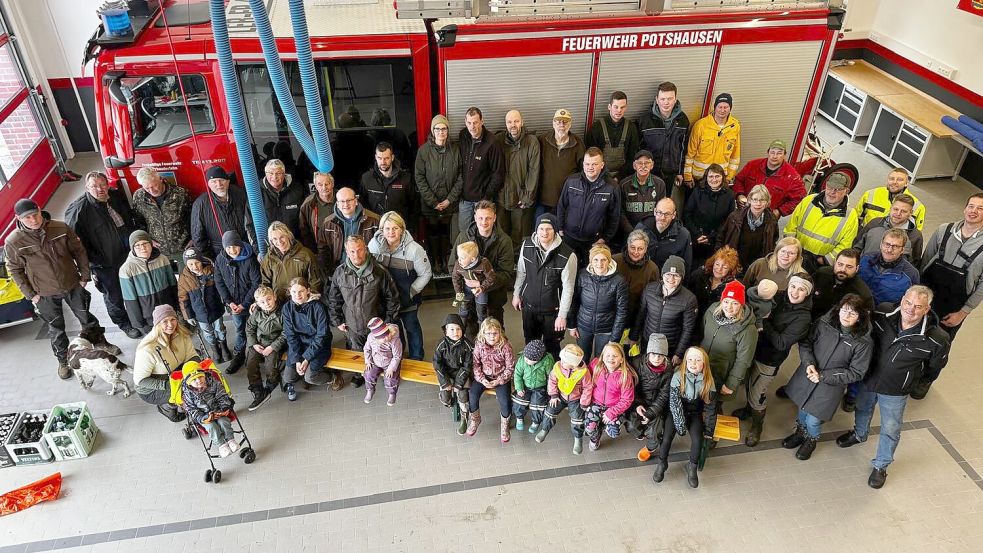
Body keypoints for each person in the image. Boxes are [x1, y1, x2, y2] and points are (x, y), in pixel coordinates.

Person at [836, 286, 950, 488]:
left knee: (890, 428)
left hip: (896, 390)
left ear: (927, 309)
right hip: (869, 379)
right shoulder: (882, 313)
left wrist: (912, 381)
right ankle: (859, 434)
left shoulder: (936, 338)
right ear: (902, 299)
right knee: (862, 408)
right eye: (908, 302)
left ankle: (881, 465)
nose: (910, 309)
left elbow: (934, 368)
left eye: (918, 306)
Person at [5, 199, 120, 378]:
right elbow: (15, 270)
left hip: (72, 285)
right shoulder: (14, 241)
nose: (33, 220)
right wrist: (32, 295)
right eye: (27, 218)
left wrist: (84, 277)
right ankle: (63, 361)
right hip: (44, 294)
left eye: (35, 214)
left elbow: (79, 251)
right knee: (56, 329)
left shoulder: (60, 228)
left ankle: (101, 343)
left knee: (87, 318)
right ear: (18, 218)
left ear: (39, 209)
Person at [783, 293, 872, 461]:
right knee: (802, 409)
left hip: (830, 384)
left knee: (814, 419)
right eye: (844, 310)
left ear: (860, 317)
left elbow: (856, 372)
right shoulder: (824, 323)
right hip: (808, 374)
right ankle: (800, 433)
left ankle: (811, 439)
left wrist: (823, 376)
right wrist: (808, 363)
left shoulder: (863, 343)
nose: (846, 316)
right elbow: (806, 342)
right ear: (838, 310)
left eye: (852, 313)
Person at [732, 273, 813, 447]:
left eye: (801, 289)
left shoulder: (803, 318)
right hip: (753, 349)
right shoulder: (779, 296)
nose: (795, 292)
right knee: (748, 382)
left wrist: (763, 322)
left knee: (758, 394)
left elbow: (781, 343)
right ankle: (748, 409)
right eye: (793, 286)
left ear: (807, 293)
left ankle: (757, 426)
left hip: (769, 360)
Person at [65, 171, 144, 338]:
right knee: (114, 294)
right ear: (87, 188)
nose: (99, 189)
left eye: (102, 185)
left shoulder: (115, 196)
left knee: (134, 286)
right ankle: (124, 323)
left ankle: (138, 316)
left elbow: (128, 216)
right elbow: (73, 242)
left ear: (107, 184)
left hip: (128, 252)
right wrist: (93, 262)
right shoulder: (79, 209)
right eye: (94, 186)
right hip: (104, 262)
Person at [369, 211, 433, 361]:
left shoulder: (415, 249)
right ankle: (399, 355)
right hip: (388, 301)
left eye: (395, 228)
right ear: (381, 229)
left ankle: (417, 356)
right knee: (394, 329)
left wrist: (411, 291)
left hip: (408, 299)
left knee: (412, 328)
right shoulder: (373, 246)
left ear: (402, 229)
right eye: (387, 228)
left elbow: (426, 274)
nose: (391, 232)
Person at [651, 346, 717, 489]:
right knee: (667, 437)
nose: (693, 363)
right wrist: (680, 425)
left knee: (698, 439)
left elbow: (711, 408)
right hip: (676, 412)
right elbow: (674, 403)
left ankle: (692, 467)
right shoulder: (677, 375)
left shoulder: (709, 381)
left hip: (694, 413)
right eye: (690, 359)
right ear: (685, 361)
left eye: (698, 360)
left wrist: (709, 431)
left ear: (704, 363)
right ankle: (662, 462)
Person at [512, 214, 577, 358]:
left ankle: (551, 379)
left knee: (552, 348)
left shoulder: (568, 255)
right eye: (541, 228)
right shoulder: (526, 245)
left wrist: (562, 316)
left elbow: (568, 289)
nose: (544, 233)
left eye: (548, 229)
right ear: (536, 230)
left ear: (555, 231)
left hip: (552, 312)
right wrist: (516, 294)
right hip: (529, 308)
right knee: (530, 345)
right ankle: (532, 379)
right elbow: (521, 272)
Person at [920, 192, 983, 342]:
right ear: (965, 209)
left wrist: (963, 313)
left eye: (980, 208)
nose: (973, 211)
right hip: (924, 297)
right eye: (971, 206)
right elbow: (925, 261)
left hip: (952, 308)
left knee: (937, 344)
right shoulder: (944, 230)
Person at [449, 201, 515, 337]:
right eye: (480, 218)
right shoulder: (463, 237)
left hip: (493, 302)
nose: (484, 222)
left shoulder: (504, 241)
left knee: (494, 340)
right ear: (474, 217)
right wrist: (466, 281)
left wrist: (482, 285)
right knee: (470, 337)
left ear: (495, 218)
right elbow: (452, 266)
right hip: (469, 304)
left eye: (488, 218)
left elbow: (506, 274)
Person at [328, 235, 400, 356]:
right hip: (352, 327)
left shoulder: (379, 271)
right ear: (347, 252)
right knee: (358, 357)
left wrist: (388, 323)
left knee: (380, 356)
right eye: (352, 251)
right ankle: (358, 376)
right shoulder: (340, 273)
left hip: (376, 327)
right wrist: (337, 320)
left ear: (365, 249)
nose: (356, 255)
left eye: (359, 250)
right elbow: (334, 298)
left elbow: (392, 299)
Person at [701, 281, 758, 415]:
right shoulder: (711, 312)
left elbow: (743, 361)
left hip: (722, 373)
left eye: (735, 303)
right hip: (702, 366)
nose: (729, 307)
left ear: (741, 305)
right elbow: (702, 333)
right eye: (726, 301)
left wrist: (731, 384)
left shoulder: (748, 330)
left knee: (714, 405)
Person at [783, 173, 859, 273]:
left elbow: (845, 245)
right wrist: (791, 249)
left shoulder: (851, 216)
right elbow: (791, 227)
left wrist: (824, 260)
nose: (832, 192)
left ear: (846, 191)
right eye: (829, 187)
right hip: (794, 255)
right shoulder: (808, 201)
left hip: (818, 266)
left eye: (838, 189)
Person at [557, 147, 621, 263]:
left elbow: (615, 217)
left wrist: (605, 238)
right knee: (567, 269)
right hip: (569, 237)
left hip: (594, 241)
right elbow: (562, 205)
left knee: (589, 272)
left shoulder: (611, 187)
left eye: (594, 164)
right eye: (587, 164)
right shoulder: (571, 181)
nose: (590, 168)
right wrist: (560, 228)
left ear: (602, 165)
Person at [631, 255, 699, 367]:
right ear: (662, 274)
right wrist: (634, 337)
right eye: (668, 274)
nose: (671, 279)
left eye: (676, 275)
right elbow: (641, 315)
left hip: (669, 347)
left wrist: (679, 353)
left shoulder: (689, 299)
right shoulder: (649, 289)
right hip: (647, 342)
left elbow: (688, 329)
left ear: (682, 277)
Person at [416, 114, 463, 274]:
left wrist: (449, 200)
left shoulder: (455, 150)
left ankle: (444, 261)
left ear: (448, 131)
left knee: (446, 233)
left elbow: (461, 177)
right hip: (431, 205)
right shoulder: (423, 151)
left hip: (449, 204)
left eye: (444, 129)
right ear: (432, 131)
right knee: (433, 233)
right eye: (437, 129)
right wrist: (433, 202)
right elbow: (419, 177)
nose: (441, 132)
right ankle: (435, 262)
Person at [134, 304, 198, 421]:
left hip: (174, 372)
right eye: (165, 321)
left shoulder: (183, 334)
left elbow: (192, 356)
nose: (170, 325)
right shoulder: (147, 349)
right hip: (153, 387)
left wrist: (192, 372)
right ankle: (167, 406)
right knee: (185, 391)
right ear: (157, 324)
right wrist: (168, 386)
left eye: (173, 319)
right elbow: (141, 381)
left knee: (197, 383)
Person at [213, 230, 262, 375]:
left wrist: (244, 304)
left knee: (257, 329)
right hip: (234, 305)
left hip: (251, 302)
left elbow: (256, 282)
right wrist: (229, 302)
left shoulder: (250, 258)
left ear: (240, 245)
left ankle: (257, 355)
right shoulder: (221, 259)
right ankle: (239, 356)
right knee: (240, 330)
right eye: (228, 248)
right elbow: (219, 280)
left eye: (235, 246)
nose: (232, 250)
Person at [569, 245, 628, 360]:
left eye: (603, 260)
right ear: (591, 261)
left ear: (609, 261)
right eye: (595, 259)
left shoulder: (619, 281)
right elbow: (574, 301)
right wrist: (572, 325)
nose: (599, 264)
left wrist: (615, 337)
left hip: (606, 329)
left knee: (601, 359)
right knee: (581, 358)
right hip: (584, 325)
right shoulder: (582, 275)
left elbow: (622, 311)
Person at [638, 81, 690, 210]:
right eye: (662, 99)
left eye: (670, 99)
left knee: (663, 206)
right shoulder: (644, 120)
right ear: (657, 99)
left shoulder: (683, 120)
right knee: (647, 204)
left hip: (670, 174)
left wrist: (679, 172)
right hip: (649, 172)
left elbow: (683, 149)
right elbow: (638, 149)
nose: (666, 102)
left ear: (675, 99)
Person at [535, 344, 594, 454]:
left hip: (576, 398)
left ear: (573, 365)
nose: (562, 362)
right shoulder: (558, 367)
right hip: (560, 396)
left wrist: (584, 403)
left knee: (577, 417)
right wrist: (553, 395)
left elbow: (588, 387)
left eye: (565, 362)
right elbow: (552, 381)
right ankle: (545, 429)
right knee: (550, 411)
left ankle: (578, 438)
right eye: (562, 359)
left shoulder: (583, 373)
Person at [496, 109, 541, 252]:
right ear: (506, 124)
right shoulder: (498, 141)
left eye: (516, 121)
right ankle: (504, 258)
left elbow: (534, 171)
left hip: (521, 198)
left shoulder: (532, 142)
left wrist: (527, 196)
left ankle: (515, 261)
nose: (513, 125)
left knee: (518, 232)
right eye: (509, 122)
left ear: (522, 122)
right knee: (501, 232)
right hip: (502, 196)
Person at [281, 277, 333, 402]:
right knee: (288, 377)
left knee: (311, 377)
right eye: (294, 292)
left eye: (301, 291)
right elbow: (291, 336)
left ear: (308, 291)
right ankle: (302, 373)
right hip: (299, 345)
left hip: (319, 345)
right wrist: (298, 359)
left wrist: (306, 358)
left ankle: (332, 377)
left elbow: (321, 336)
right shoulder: (287, 308)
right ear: (289, 291)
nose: (297, 295)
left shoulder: (318, 307)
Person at [130, 166, 192, 270]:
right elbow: (138, 221)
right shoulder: (138, 197)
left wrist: (193, 238)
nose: (151, 190)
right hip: (157, 250)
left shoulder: (180, 193)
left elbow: (191, 217)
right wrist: (147, 239)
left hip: (182, 247)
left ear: (161, 179)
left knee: (186, 283)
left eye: (154, 186)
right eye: (146, 188)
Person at [119, 230, 179, 335]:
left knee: (173, 336)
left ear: (151, 244)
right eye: (137, 245)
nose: (142, 248)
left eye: (145, 243)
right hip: (148, 318)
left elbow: (173, 285)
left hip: (167, 312)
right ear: (132, 248)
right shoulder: (126, 269)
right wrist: (139, 324)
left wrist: (177, 307)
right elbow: (130, 300)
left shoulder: (162, 259)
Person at [177, 247, 230, 363]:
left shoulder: (212, 271)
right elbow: (183, 298)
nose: (194, 266)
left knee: (220, 328)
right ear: (186, 265)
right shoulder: (184, 278)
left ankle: (224, 346)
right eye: (190, 264)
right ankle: (215, 349)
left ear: (201, 261)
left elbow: (221, 288)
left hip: (215, 308)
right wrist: (188, 316)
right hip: (200, 313)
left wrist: (226, 302)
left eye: (197, 262)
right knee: (208, 332)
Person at [467, 317, 516, 442]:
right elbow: (475, 365)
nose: (492, 336)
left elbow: (510, 367)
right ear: (483, 333)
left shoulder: (505, 346)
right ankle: (475, 419)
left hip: (501, 378)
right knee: (472, 394)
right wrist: (482, 379)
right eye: (488, 333)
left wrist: (499, 380)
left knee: (505, 400)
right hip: (484, 377)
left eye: (495, 333)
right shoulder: (479, 345)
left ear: (500, 332)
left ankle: (505, 425)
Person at [190, 166, 254, 258]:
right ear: (208, 184)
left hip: (246, 249)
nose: (219, 184)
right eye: (214, 181)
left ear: (228, 181)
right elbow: (198, 236)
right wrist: (210, 258)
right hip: (220, 254)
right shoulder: (200, 204)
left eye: (221, 180)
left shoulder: (241, 194)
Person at [627, 333, 673, 462]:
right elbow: (631, 387)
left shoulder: (669, 370)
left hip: (656, 406)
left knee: (655, 433)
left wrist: (651, 413)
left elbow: (664, 395)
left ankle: (650, 448)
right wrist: (637, 405)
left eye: (660, 355)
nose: (657, 358)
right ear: (648, 353)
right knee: (631, 426)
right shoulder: (636, 363)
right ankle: (641, 433)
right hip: (639, 402)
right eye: (653, 354)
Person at [731, 139, 805, 217]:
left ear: (784, 155)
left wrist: (779, 211)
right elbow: (738, 180)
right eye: (772, 152)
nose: (775, 156)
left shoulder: (792, 176)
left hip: (767, 218)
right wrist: (739, 194)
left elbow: (799, 198)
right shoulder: (752, 165)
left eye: (779, 153)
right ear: (768, 152)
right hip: (743, 212)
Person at [458, 106, 504, 230]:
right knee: (464, 233)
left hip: (482, 201)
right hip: (464, 200)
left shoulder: (492, 142)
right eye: (469, 123)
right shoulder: (463, 136)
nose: (472, 126)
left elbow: (498, 173)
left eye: (475, 122)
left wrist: (486, 195)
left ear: (482, 121)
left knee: (484, 233)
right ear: (465, 122)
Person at [318, 187, 381, 277]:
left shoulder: (374, 220)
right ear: (337, 204)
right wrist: (330, 274)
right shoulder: (328, 223)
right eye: (342, 201)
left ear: (356, 201)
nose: (346, 204)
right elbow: (323, 251)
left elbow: (380, 248)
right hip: (340, 273)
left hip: (368, 271)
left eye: (349, 200)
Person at [584, 343, 636, 452]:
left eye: (615, 356)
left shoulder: (625, 376)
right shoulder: (595, 365)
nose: (611, 358)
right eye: (607, 355)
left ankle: (603, 424)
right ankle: (596, 436)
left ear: (622, 359)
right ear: (602, 357)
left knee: (613, 433)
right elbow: (586, 381)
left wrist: (611, 413)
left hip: (614, 407)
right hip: (595, 404)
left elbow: (627, 399)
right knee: (589, 428)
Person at [180, 363, 238, 458]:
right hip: (203, 416)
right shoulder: (187, 394)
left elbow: (222, 396)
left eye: (200, 377)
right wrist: (204, 418)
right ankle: (221, 445)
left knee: (224, 421)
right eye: (194, 380)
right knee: (211, 426)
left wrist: (224, 408)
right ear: (189, 383)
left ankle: (230, 440)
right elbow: (192, 410)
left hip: (218, 410)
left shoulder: (213, 383)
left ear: (204, 375)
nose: (198, 381)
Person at [684, 92, 741, 187]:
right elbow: (690, 153)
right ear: (715, 107)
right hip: (699, 178)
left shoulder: (734, 127)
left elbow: (735, 156)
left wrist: (729, 177)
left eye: (726, 107)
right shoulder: (701, 125)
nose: (722, 110)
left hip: (719, 179)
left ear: (730, 108)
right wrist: (687, 176)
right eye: (720, 107)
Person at [717, 184, 780, 269]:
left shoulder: (772, 220)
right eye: (755, 199)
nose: (758, 203)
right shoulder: (735, 217)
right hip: (735, 263)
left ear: (767, 202)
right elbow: (721, 237)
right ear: (749, 200)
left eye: (762, 200)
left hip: (757, 266)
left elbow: (773, 242)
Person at [684, 163, 736, 264]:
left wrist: (712, 237)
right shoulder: (697, 191)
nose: (714, 179)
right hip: (696, 237)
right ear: (706, 178)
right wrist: (697, 235)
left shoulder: (729, 195)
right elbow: (687, 214)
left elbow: (729, 220)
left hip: (717, 240)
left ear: (723, 177)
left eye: (717, 176)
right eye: (711, 176)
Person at [537, 108, 586, 215]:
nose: (561, 125)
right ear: (553, 123)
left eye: (565, 122)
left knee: (561, 231)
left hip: (566, 201)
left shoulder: (578, 144)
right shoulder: (542, 140)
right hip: (542, 200)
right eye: (558, 121)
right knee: (541, 230)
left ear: (570, 124)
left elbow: (583, 172)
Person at [853, 193, 924, 266]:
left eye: (903, 211)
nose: (898, 213)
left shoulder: (915, 236)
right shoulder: (874, 224)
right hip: (863, 271)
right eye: (895, 209)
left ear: (910, 213)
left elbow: (914, 263)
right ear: (890, 208)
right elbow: (856, 247)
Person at [244, 286, 284, 411]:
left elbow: (286, 333)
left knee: (270, 365)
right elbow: (250, 328)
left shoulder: (282, 313)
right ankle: (256, 388)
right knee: (251, 362)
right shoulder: (257, 312)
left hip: (274, 344)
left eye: (269, 299)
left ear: (274, 297)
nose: (266, 303)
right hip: (259, 343)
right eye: (262, 302)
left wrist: (273, 347)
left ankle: (271, 384)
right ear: (257, 303)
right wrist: (254, 343)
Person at [584, 91, 641, 179]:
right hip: (599, 176)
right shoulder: (597, 127)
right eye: (616, 107)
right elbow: (590, 156)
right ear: (609, 107)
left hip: (623, 177)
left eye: (622, 107)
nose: (619, 110)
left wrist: (619, 177)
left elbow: (633, 156)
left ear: (626, 108)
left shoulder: (631, 128)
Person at [433, 314, 474, 435]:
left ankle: (464, 416)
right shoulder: (441, 344)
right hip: (446, 373)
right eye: (451, 329)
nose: (455, 332)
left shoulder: (467, 345)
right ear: (445, 331)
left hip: (462, 373)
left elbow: (467, 366)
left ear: (462, 330)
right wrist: (445, 382)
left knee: (463, 395)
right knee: (446, 397)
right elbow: (437, 363)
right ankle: (450, 402)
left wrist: (458, 384)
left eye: (458, 329)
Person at [261, 221, 321, 301]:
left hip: (301, 302)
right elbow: (265, 284)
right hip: (279, 303)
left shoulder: (306, 254)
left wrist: (310, 300)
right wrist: (259, 301)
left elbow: (315, 281)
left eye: (282, 237)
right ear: (271, 241)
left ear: (288, 235)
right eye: (275, 239)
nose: (279, 242)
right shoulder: (268, 259)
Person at [858, 228, 920, 305]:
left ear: (902, 250)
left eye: (896, 246)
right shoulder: (865, 260)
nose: (889, 250)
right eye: (887, 244)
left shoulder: (911, 274)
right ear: (881, 244)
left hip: (886, 314)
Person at [613, 229, 660, 330]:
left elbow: (652, 299)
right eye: (632, 247)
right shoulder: (614, 261)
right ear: (627, 245)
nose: (635, 252)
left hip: (635, 318)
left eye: (640, 248)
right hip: (611, 315)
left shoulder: (652, 269)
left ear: (646, 249)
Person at [854, 167, 926, 231]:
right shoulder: (870, 194)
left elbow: (915, 233)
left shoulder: (918, 207)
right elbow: (856, 218)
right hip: (869, 238)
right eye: (891, 179)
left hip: (895, 244)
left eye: (899, 180)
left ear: (906, 183)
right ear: (887, 180)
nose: (894, 182)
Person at [360, 142, 416, 223]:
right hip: (375, 225)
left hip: (399, 226)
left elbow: (414, 206)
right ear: (375, 157)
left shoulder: (406, 178)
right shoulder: (366, 178)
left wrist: (411, 228)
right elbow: (362, 204)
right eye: (379, 158)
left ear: (392, 157)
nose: (383, 162)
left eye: (386, 158)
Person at [809, 249, 873, 319]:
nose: (843, 269)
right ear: (835, 262)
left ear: (857, 268)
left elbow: (863, 321)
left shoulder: (862, 293)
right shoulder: (821, 273)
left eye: (849, 266)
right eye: (840, 264)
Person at [634, 197, 693, 270]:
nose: (662, 217)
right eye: (659, 212)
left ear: (674, 215)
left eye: (667, 214)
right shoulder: (641, 228)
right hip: (643, 274)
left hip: (667, 279)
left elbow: (686, 266)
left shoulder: (684, 235)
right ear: (655, 212)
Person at [619, 150, 667, 239]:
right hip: (629, 233)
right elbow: (620, 212)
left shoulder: (660, 184)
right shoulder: (624, 185)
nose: (643, 166)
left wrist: (649, 231)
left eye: (647, 163)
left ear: (652, 165)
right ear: (634, 165)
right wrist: (631, 232)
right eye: (640, 163)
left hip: (651, 232)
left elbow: (661, 211)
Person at [511, 339, 554, 434]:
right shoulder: (522, 360)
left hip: (540, 387)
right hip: (525, 386)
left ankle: (535, 422)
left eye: (528, 360)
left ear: (537, 359)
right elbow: (517, 374)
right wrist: (519, 388)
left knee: (538, 405)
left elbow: (550, 377)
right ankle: (519, 418)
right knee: (519, 402)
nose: (526, 360)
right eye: (525, 358)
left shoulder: (547, 362)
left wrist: (550, 391)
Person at [258, 159, 307, 239]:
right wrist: (258, 248)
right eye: (271, 173)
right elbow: (250, 224)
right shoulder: (256, 193)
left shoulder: (297, 190)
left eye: (278, 173)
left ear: (284, 174)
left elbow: (305, 219)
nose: (274, 177)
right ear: (265, 174)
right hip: (269, 246)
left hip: (295, 243)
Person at [687, 246, 741, 316]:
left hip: (713, 320)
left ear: (730, 270)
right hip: (692, 315)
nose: (719, 269)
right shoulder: (699, 274)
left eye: (724, 267)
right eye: (717, 264)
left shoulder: (732, 286)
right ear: (713, 263)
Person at [451, 241, 495, 326]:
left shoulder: (484, 263)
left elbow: (491, 277)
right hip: (466, 289)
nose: (459, 260)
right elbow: (455, 278)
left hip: (481, 289)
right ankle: (461, 332)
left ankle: (482, 334)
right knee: (463, 310)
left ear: (472, 259)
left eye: (462, 258)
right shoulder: (458, 265)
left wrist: (482, 287)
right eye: (458, 257)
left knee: (481, 312)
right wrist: (458, 292)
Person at [363, 317, 403, 406]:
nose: (387, 337)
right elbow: (367, 349)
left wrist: (391, 368)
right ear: (377, 338)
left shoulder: (394, 339)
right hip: (376, 361)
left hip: (390, 363)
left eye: (387, 334)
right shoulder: (371, 338)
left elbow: (397, 356)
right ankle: (370, 390)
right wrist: (368, 360)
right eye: (383, 337)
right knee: (369, 373)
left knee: (390, 378)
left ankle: (392, 393)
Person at [298, 172, 335, 252]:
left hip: (342, 247)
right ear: (316, 186)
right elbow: (304, 231)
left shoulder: (343, 199)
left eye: (327, 184)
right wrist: (313, 251)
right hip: (321, 249)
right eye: (320, 185)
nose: (324, 188)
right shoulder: (308, 204)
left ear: (332, 184)